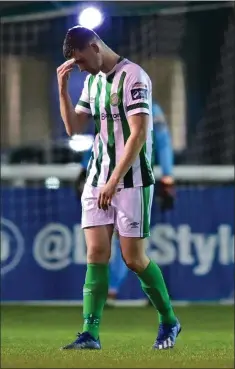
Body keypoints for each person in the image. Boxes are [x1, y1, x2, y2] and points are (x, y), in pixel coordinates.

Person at [57, 25, 181, 350]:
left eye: (81, 61)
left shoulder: (134, 77)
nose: (80, 67)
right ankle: (90, 333)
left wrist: (113, 181)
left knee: (133, 259)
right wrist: (62, 87)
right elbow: (74, 128)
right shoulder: (91, 81)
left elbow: (139, 134)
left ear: (95, 47)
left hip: (131, 181)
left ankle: (169, 321)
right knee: (96, 253)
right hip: (98, 179)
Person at [75, 101, 175, 305]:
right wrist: (84, 168)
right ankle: (111, 292)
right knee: (112, 241)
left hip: (136, 183)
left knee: (131, 244)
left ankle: (125, 291)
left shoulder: (150, 109)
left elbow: (162, 142)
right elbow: (100, 139)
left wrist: (167, 176)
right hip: (104, 181)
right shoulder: (107, 106)